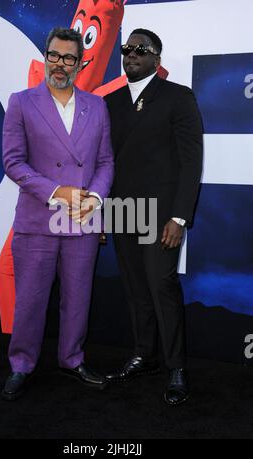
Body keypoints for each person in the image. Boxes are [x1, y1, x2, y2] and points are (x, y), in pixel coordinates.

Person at [1, 27, 114, 401]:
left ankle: (72, 359)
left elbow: (105, 161)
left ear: (80, 64)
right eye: (54, 55)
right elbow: (13, 162)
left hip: (82, 219)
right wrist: (57, 191)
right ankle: (21, 365)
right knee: (30, 299)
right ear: (46, 55)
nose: (60, 63)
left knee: (78, 296)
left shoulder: (96, 105)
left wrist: (95, 198)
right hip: (38, 218)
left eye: (68, 57)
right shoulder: (21, 102)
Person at [104, 29, 203, 406]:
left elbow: (192, 161)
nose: (130, 55)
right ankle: (144, 355)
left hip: (161, 215)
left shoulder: (178, 97)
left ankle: (176, 367)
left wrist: (179, 217)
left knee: (162, 287)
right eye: (126, 49)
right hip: (121, 211)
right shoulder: (109, 102)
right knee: (135, 289)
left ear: (156, 58)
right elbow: (103, 161)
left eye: (139, 50)